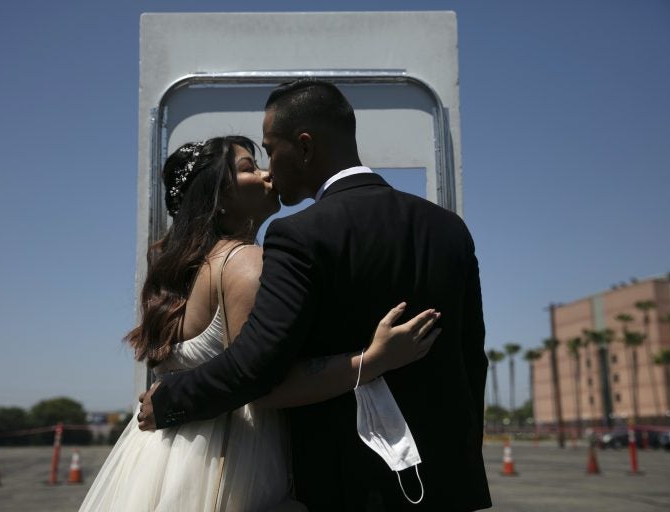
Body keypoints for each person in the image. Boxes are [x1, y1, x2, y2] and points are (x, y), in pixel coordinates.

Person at [141, 80, 492, 511]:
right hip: (446, 485)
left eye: (271, 149)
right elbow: (472, 359)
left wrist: (171, 399)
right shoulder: (449, 229)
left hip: (343, 487)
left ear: (304, 147)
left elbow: (257, 367)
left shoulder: (300, 235)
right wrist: (464, 469)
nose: (270, 167)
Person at [79, 135, 440, 512]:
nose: (268, 174)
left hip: (162, 457)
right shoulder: (245, 262)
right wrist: (374, 359)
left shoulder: (181, 272)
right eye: (249, 168)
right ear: (218, 199)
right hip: (231, 457)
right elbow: (262, 381)